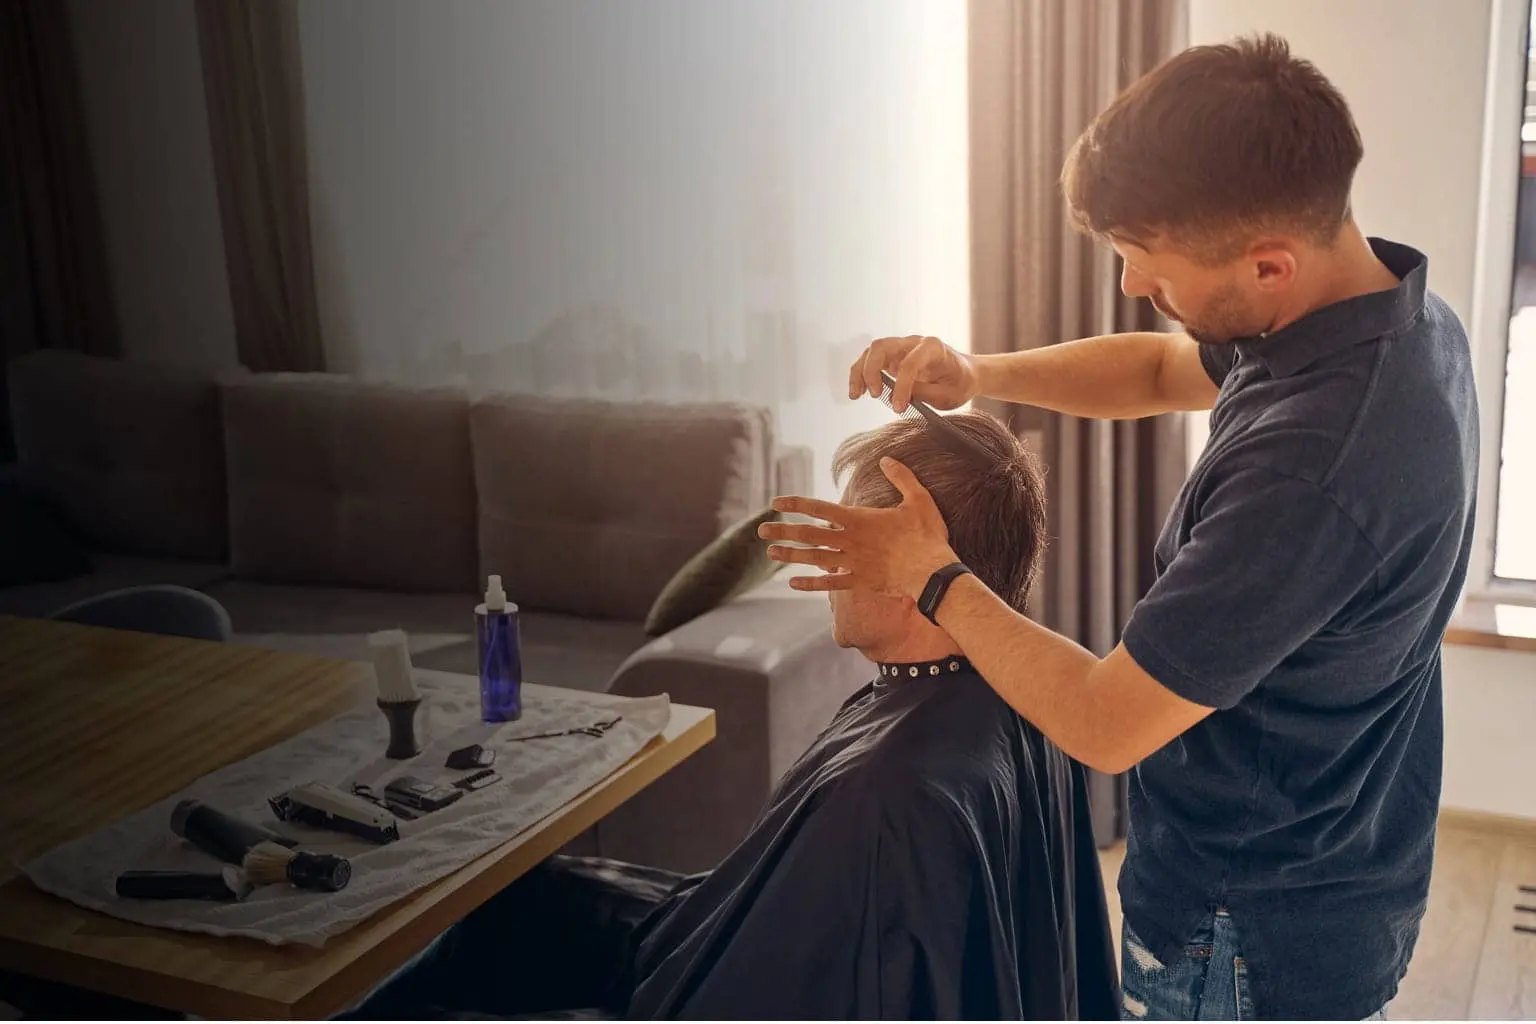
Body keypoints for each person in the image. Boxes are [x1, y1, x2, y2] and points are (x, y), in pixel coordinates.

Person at [759, 33, 1478, 1022]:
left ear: (1269, 264)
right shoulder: (1386, 317)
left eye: (1150, 264)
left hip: (1248, 939)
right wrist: (979, 374)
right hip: (1338, 858)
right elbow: (1153, 372)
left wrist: (931, 574)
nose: (1136, 287)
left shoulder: (1316, 466)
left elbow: (1107, 721)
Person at [345, 412, 1119, 1021]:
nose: (817, 571)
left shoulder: (891, 797)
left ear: (901, 564)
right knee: (506, 894)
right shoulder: (1026, 698)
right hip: (706, 945)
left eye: (842, 537)